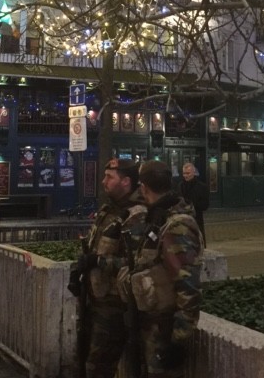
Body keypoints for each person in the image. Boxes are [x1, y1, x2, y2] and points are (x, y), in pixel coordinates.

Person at [70, 159, 147, 378]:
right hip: (93, 300)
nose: (103, 181)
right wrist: (80, 267)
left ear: (126, 181)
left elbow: (137, 264)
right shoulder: (108, 210)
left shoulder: (136, 215)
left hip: (114, 306)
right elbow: (93, 246)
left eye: (109, 177)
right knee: (82, 360)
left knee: (98, 367)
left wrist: (98, 262)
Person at [126, 159, 203, 378]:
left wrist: (178, 340)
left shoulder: (177, 224)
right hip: (149, 326)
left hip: (163, 332)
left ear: (143, 188)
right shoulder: (158, 216)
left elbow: (188, 286)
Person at [177, 162, 210, 246]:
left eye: (188, 173)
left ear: (193, 173)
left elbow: (205, 205)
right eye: (184, 173)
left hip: (196, 220)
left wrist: (191, 206)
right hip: (182, 221)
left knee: (197, 243)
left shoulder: (202, 187)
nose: (185, 175)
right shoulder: (180, 186)